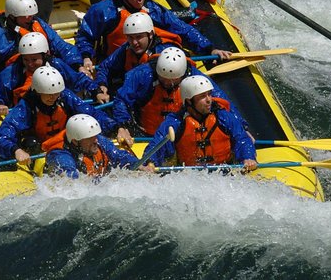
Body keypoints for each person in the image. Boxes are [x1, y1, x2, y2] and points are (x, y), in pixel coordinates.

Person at [76, 0, 232, 73]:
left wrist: (209, 49)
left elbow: (181, 29)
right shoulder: (104, 10)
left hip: (147, 63)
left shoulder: (152, 8)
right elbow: (84, 36)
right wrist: (86, 57)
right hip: (114, 64)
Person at [111, 47, 246, 148]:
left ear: (181, 76)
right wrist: (123, 126)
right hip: (144, 134)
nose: (168, 84)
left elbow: (221, 100)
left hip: (180, 134)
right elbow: (121, 100)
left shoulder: (194, 76)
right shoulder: (143, 74)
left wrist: (242, 128)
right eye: (164, 80)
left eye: (172, 81)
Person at [0, 0, 82, 100]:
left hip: (44, 72)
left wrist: (78, 64)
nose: (29, 18)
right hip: (13, 77)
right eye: (24, 15)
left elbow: (61, 46)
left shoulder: (37, 24)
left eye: (30, 15)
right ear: (12, 16)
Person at [0, 66, 115, 165]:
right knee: (31, 142)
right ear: (38, 91)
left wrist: (116, 127)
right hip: (41, 149)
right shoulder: (26, 107)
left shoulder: (64, 96)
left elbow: (91, 113)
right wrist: (16, 150)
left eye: (55, 93)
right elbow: (3, 136)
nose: (53, 97)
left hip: (66, 143)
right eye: (48, 94)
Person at [142, 75, 257, 171]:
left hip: (224, 172)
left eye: (209, 94)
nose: (209, 100)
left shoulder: (224, 117)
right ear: (189, 101)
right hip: (190, 175)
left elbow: (242, 139)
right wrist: (151, 163)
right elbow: (157, 145)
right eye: (202, 96)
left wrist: (247, 157)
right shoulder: (175, 122)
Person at [0, 32, 108, 116]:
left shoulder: (57, 65)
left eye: (34, 60)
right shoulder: (13, 72)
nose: (30, 64)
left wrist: (96, 91)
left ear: (45, 55)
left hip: (59, 112)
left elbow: (78, 80)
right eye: (26, 59)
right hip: (28, 115)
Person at [43, 114, 153, 178]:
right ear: (75, 142)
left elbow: (119, 155)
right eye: (90, 138)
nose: (96, 141)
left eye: (95, 136)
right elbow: (71, 180)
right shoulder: (60, 155)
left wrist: (139, 166)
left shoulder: (97, 140)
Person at [94, 11, 177, 93]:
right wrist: (102, 85)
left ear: (150, 34)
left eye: (139, 37)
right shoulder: (127, 48)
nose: (134, 42)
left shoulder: (164, 52)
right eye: (130, 37)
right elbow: (105, 67)